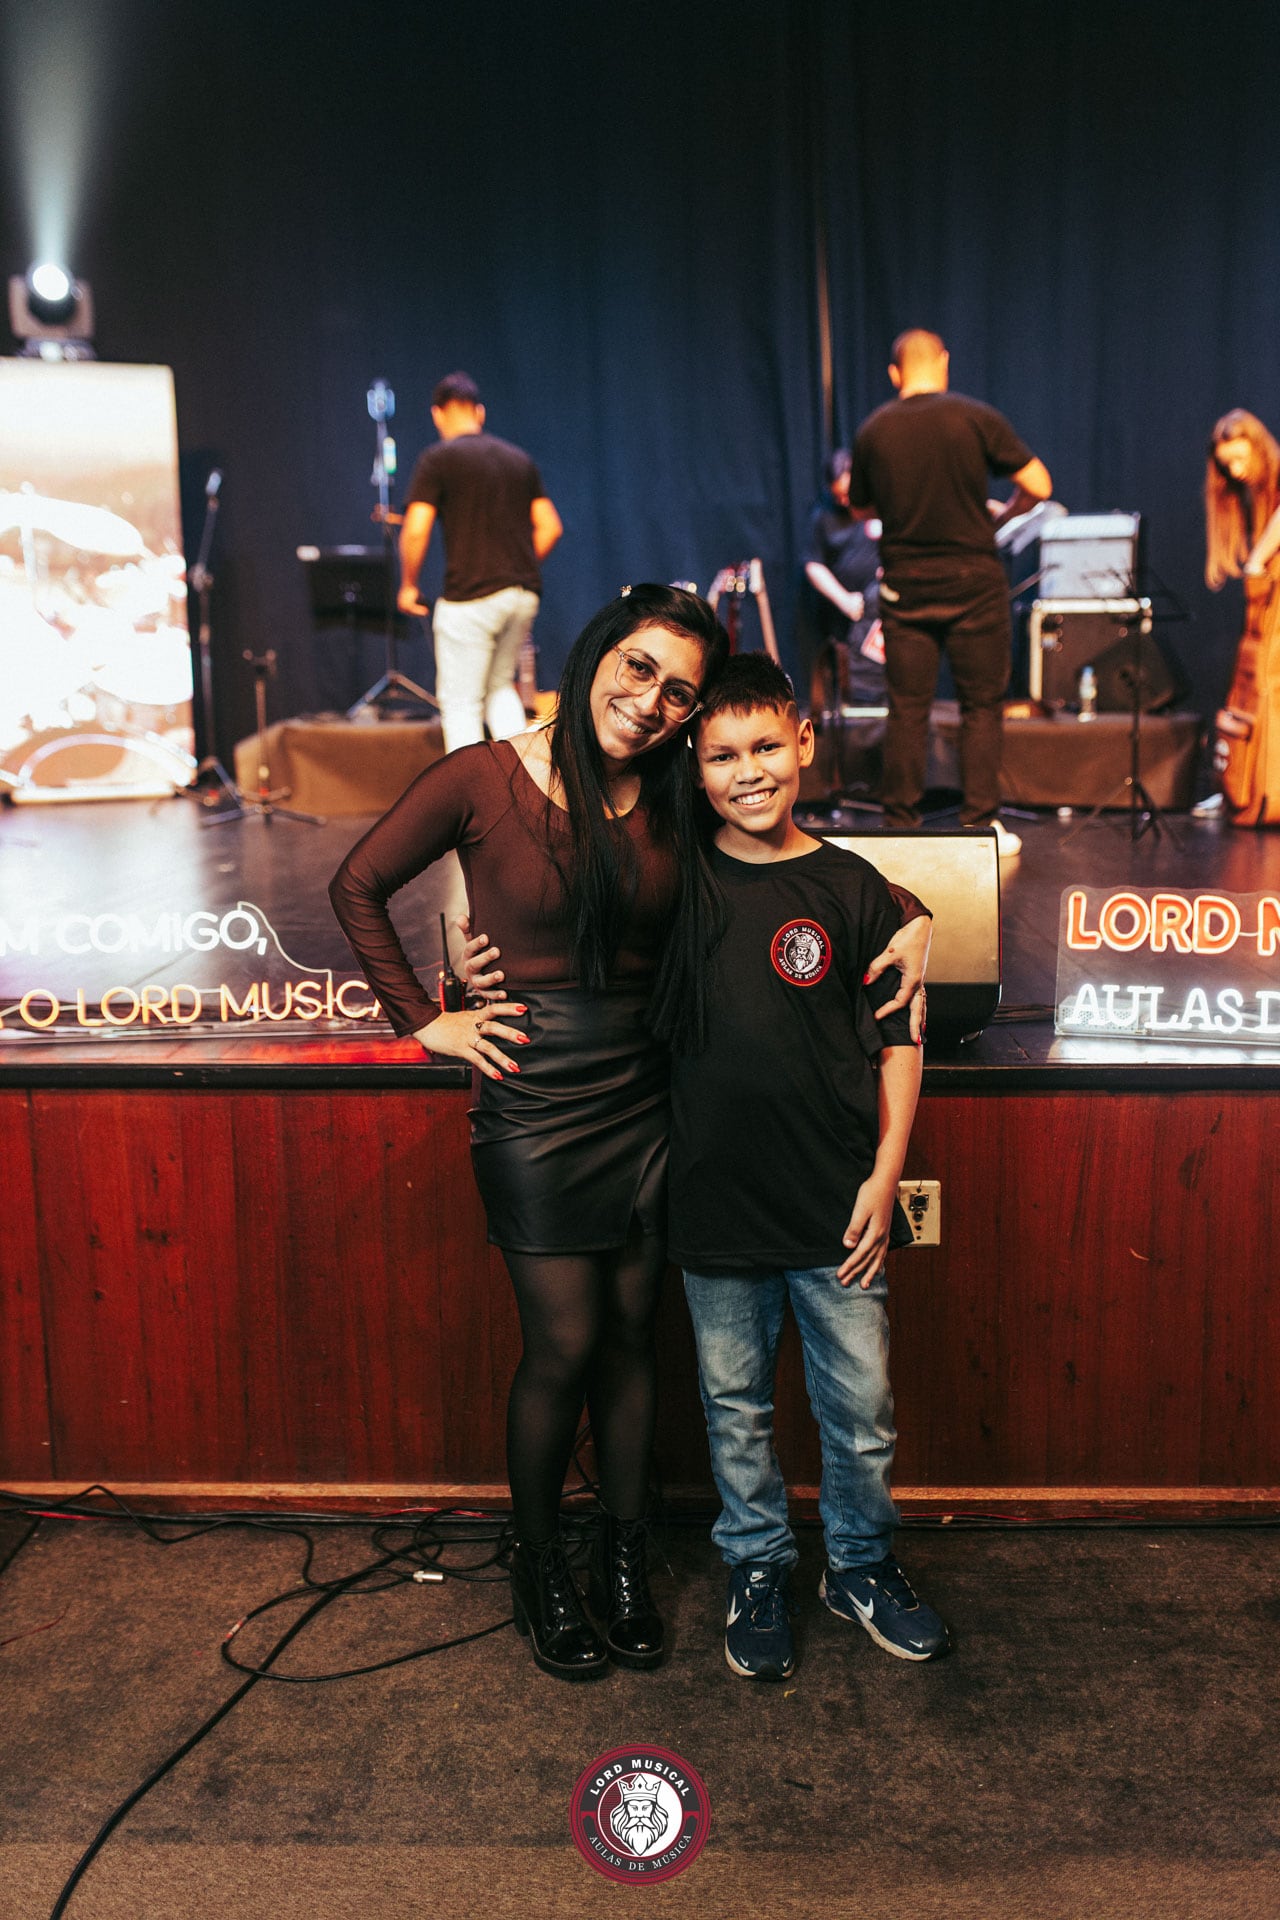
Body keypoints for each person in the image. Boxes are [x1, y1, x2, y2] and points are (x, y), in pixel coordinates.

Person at [331, 586, 931, 1686]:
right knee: (562, 1343)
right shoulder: (481, 777)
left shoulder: (668, 793)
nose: (653, 701)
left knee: (628, 1340)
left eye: (680, 692)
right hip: (531, 1097)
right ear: (600, 652)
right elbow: (357, 882)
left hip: (650, 1099)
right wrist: (425, 1019)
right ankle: (539, 1565)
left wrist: (915, 915)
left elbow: (795, 855)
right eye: (640, 668)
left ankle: (621, 1560)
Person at [667, 652, 946, 1679]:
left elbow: (899, 1041)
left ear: (805, 742)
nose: (748, 772)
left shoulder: (851, 886)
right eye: (721, 756)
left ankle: (859, 1566)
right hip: (713, 1204)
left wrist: (885, 1175)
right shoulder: (674, 879)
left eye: (765, 747)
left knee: (861, 1414)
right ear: (694, 769)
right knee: (734, 1411)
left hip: (839, 1205)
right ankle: (756, 1565)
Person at [848, 329, 1053, 856]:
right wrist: (1003, 514)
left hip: (906, 588)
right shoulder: (975, 417)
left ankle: (899, 829)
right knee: (981, 707)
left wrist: (901, 507)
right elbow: (1040, 485)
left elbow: (859, 506)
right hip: (973, 584)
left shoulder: (873, 430)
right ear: (943, 362)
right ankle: (980, 827)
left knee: (907, 708)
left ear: (895, 374)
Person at [397, 371, 563, 752]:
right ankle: (523, 781)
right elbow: (550, 527)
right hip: (522, 595)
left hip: (471, 599)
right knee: (499, 688)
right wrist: (517, 564)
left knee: (461, 702)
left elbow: (416, 529)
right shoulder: (519, 460)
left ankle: (471, 791)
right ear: (480, 412)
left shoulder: (437, 459)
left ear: (437, 414)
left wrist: (408, 585)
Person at [1203, 409, 1280, 826]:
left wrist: (1256, 559)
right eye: (1227, 464)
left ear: (1258, 447)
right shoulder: (1247, 493)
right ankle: (1244, 785)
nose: (1235, 471)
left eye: (1240, 459)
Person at [803, 448, 887, 709]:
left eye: (848, 494)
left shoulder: (882, 503)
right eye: (837, 495)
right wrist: (844, 600)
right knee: (849, 687)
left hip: (884, 616)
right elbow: (813, 565)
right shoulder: (823, 515)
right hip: (845, 617)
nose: (843, 501)